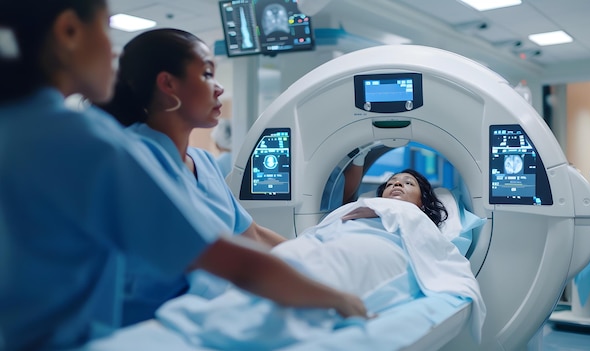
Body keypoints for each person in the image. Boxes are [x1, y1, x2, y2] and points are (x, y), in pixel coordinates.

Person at [0, 2, 366, 350]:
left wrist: (315, 251)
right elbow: (233, 262)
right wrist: (339, 296)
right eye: (108, 31)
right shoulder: (95, 143)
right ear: (68, 30)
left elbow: (248, 235)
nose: (115, 53)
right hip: (122, 329)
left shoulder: (23, 129)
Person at [151, 169, 485, 350]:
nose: (396, 185)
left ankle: (255, 326)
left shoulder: (419, 221)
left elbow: (435, 253)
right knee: (293, 257)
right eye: (392, 183)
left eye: (407, 183)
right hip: (333, 236)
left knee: (325, 271)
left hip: (380, 248)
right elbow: (322, 231)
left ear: (423, 200)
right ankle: (218, 315)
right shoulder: (359, 207)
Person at [97, 28, 293, 325]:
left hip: (206, 317)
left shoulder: (203, 161)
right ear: (168, 84)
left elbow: (251, 234)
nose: (219, 89)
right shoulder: (133, 157)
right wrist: (330, 292)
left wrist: (311, 252)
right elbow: (227, 258)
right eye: (207, 74)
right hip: (148, 327)